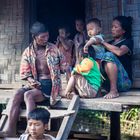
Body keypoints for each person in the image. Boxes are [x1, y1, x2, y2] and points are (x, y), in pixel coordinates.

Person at [0, 22, 67, 137]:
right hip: (35, 85)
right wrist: (31, 80)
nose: (46, 39)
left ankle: (28, 129)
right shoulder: (28, 52)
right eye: (42, 37)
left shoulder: (54, 49)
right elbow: (25, 73)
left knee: (28, 95)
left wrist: (67, 73)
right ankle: (10, 130)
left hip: (50, 86)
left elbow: (64, 67)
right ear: (34, 37)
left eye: (47, 36)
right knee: (16, 94)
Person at [100, 16, 133, 99]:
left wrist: (102, 42)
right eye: (112, 27)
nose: (112, 29)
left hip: (124, 83)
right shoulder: (109, 43)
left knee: (108, 55)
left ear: (123, 30)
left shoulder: (128, 41)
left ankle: (114, 91)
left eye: (115, 27)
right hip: (107, 84)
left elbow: (119, 52)